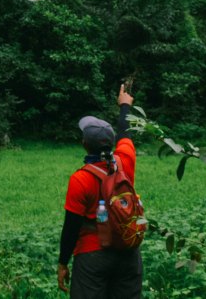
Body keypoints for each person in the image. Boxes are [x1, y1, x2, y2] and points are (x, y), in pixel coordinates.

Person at [57, 83, 141, 297]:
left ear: (85, 144)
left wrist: (63, 263)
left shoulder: (81, 179)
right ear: (113, 143)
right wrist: (124, 106)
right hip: (128, 252)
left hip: (92, 255)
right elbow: (126, 131)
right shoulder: (126, 161)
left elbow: (71, 227)